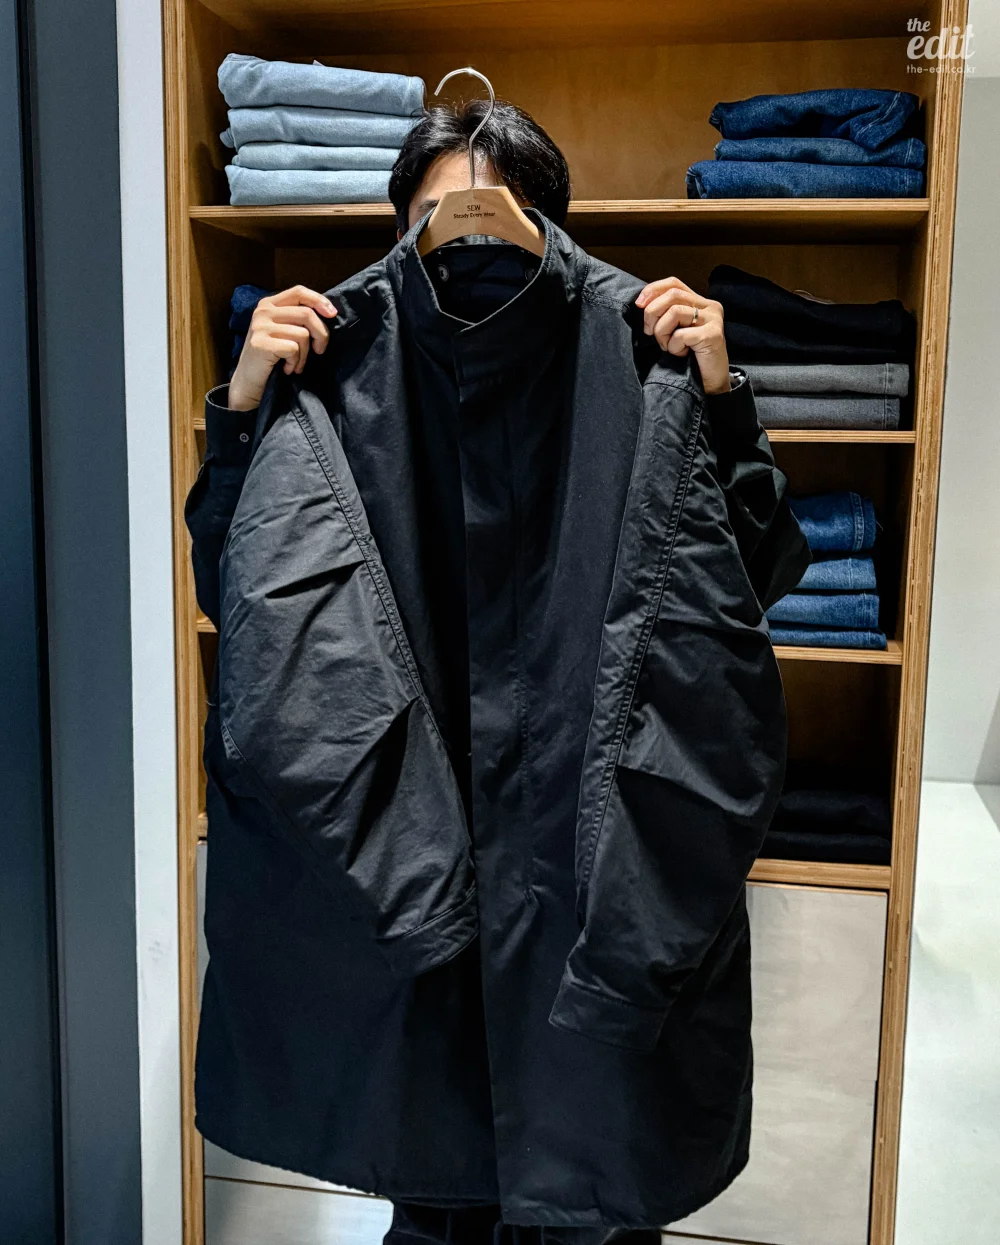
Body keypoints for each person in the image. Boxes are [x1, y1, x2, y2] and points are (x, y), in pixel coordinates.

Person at [191, 102, 807, 1245]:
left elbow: (757, 580)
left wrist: (721, 399)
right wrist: (242, 406)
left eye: (489, 210)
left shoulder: (646, 352)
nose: (464, 230)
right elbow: (237, 597)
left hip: (593, 869)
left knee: (600, 1186)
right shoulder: (325, 361)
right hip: (404, 876)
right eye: (433, 214)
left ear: (543, 221)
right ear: (401, 226)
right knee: (437, 1191)